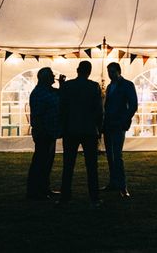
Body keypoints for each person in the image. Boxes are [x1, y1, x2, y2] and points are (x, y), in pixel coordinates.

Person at [59, 60, 103, 206]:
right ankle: (94, 197)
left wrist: (63, 127)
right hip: (89, 130)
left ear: (77, 70)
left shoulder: (68, 86)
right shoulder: (93, 87)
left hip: (71, 129)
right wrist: (99, 128)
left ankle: (65, 196)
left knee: (68, 165)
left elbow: (62, 108)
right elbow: (99, 110)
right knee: (92, 166)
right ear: (89, 72)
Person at [26, 66, 63, 200]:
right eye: (52, 75)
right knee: (40, 162)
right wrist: (41, 130)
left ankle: (44, 188)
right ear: (45, 78)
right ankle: (34, 191)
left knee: (46, 162)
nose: (54, 77)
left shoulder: (48, 90)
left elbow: (60, 94)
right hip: (43, 132)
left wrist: (62, 85)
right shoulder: (39, 93)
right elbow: (38, 116)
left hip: (50, 132)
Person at [102, 62, 138, 198]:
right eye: (109, 72)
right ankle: (113, 182)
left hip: (118, 124)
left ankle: (123, 186)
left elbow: (133, 105)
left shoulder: (127, 85)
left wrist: (125, 120)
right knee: (110, 156)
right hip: (108, 125)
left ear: (118, 71)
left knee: (117, 155)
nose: (110, 75)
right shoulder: (110, 86)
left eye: (112, 72)